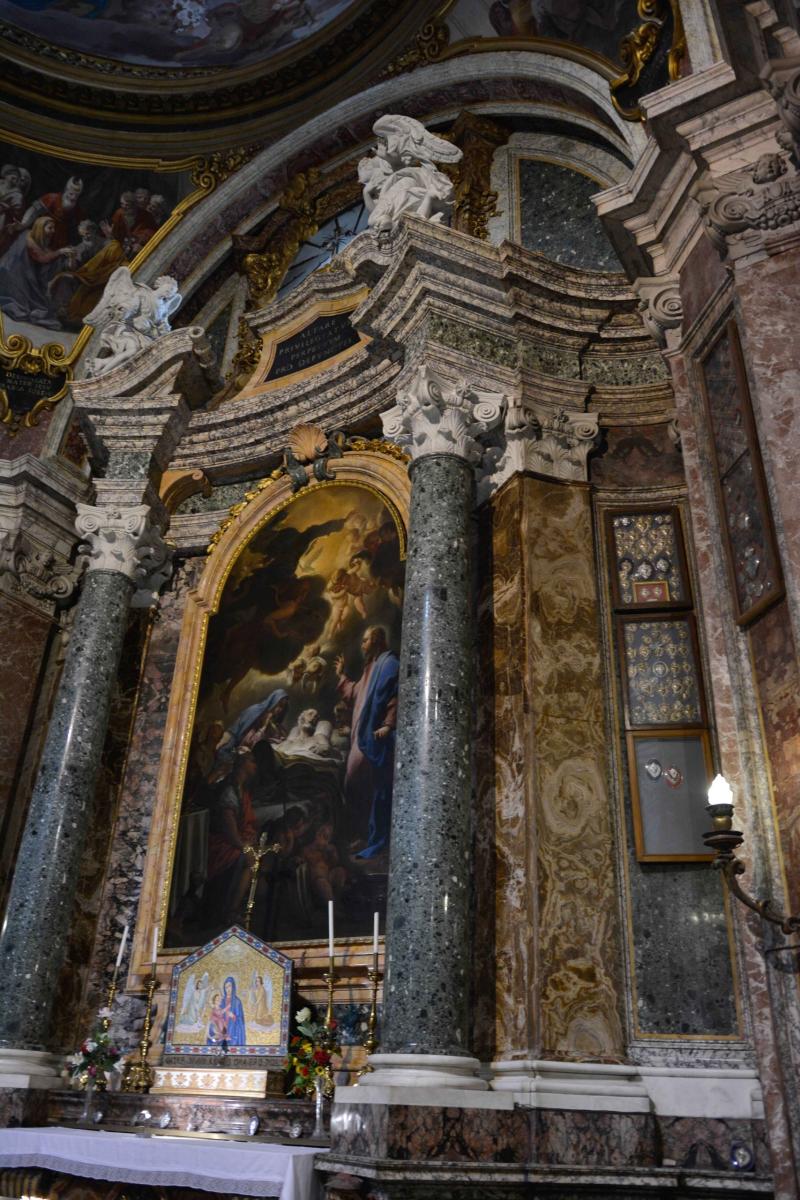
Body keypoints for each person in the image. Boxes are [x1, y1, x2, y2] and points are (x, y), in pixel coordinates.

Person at [336, 625, 399, 859]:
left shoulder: (389, 664)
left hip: (373, 738)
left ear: (377, 641)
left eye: (366, 640)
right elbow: (355, 693)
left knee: (358, 782)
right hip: (361, 736)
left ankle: (370, 837)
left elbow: (395, 695)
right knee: (353, 784)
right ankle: (361, 835)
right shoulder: (370, 667)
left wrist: (388, 724)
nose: (362, 645)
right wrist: (342, 675)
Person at [0, 215, 74, 328]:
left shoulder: (40, 239)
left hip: (26, 273)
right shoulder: (28, 237)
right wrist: (59, 252)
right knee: (26, 306)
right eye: (50, 228)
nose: (53, 231)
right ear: (40, 227)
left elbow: (46, 253)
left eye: (53, 228)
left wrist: (66, 255)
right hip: (13, 275)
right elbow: (42, 257)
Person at [219, 976, 246, 1045]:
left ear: (233, 987)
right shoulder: (221, 1001)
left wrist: (233, 1016)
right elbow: (218, 1014)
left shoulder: (237, 1001)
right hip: (222, 1028)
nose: (228, 989)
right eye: (226, 987)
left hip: (233, 1029)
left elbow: (241, 1020)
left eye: (229, 986)